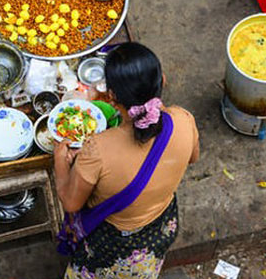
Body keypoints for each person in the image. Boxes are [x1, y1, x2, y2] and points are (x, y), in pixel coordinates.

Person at [54, 43, 200, 278]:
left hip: (113, 245)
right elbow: (192, 157)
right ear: (162, 80)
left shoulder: (97, 148)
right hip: (160, 229)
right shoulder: (183, 119)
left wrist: (60, 161)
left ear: (111, 97)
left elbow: (71, 203)